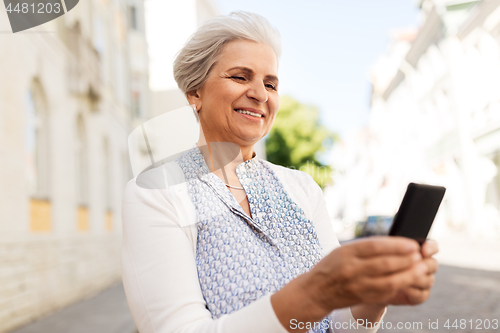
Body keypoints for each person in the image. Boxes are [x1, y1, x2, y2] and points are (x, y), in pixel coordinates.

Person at [121, 12, 438, 333]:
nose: (260, 94)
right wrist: (316, 292)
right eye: (240, 77)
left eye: (270, 83)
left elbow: (340, 325)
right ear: (195, 93)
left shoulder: (301, 187)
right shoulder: (156, 193)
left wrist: (374, 296)